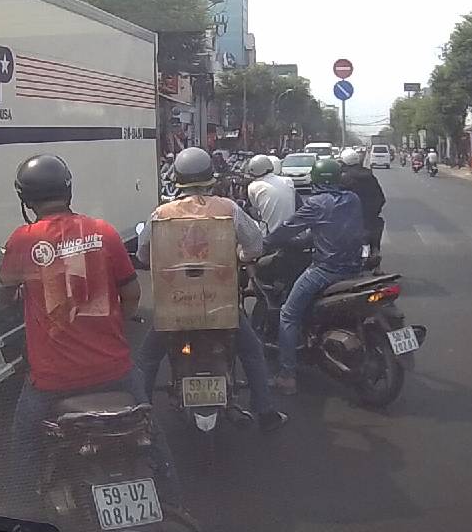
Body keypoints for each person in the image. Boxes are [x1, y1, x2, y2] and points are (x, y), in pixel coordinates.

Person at [0, 155, 176, 513]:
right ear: (68, 189)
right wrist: (116, 321)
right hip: (115, 371)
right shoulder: (103, 232)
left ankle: (22, 520)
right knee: (152, 433)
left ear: (26, 199)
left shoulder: (22, 240)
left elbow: (5, 295)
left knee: (24, 443)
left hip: (52, 381)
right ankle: (174, 501)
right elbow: (131, 293)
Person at [136, 147, 288, 432]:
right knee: (252, 351)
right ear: (210, 177)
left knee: (147, 358)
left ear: (178, 179)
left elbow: (143, 255)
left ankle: (139, 421)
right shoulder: (229, 209)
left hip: (174, 309)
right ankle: (265, 411)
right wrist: (240, 256)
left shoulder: (161, 213)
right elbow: (255, 245)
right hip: (222, 306)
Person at [263, 158, 365, 395]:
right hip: (355, 268)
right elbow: (333, 228)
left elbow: (287, 228)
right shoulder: (353, 199)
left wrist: (265, 243)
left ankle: (287, 376)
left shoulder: (316, 203)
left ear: (315, 179)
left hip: (326, 270)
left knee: (288, 314)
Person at [338, 147, 386, 255]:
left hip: (349, 219)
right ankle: (375, 253)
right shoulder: (369, 176)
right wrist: (372, 212)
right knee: (377, 225)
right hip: (369, 218)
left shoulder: (344, 178)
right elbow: (381, 198)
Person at [246, 153, 296, 232]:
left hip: (269, 233)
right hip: (291, 230)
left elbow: (255, 210)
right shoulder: (288, 181)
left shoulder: (252, 187)